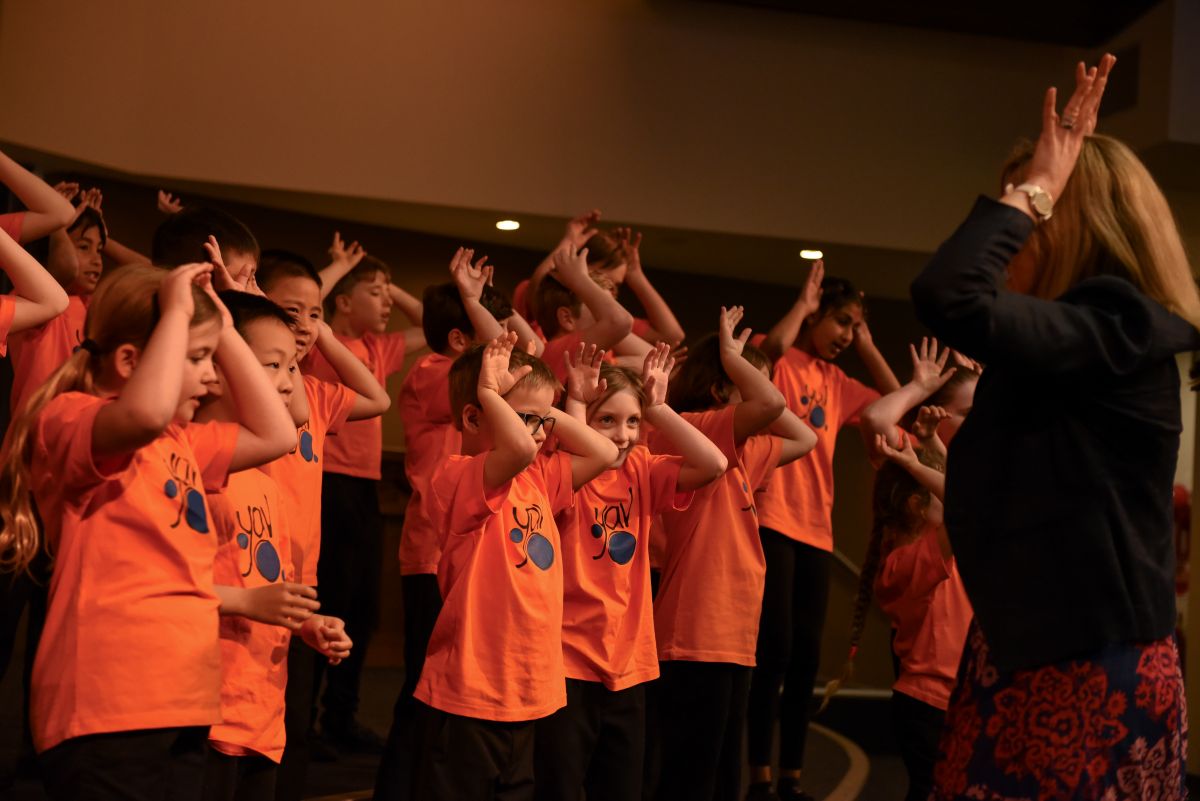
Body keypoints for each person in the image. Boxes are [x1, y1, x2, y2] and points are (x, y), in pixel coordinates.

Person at [912, 54, 1196, 799]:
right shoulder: (1069, 346)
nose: (1015, 229)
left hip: (1087, 662)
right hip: (1028, 646)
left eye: (1033, 215)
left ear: (1071, 221)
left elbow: (951, 292)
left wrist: (1038, 183)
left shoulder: (1119, 329)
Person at [0, 262, 296, 800]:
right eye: (196, 358)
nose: (212, 377)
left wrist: (223, 328)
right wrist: (180, 311)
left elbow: (276, 432)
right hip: (107, 705)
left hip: (182, 701)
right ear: (131, 360)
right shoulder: (72, 418)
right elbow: (144, 414)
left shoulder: (182, 442)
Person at [412, 332, 617, 800]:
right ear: (472, 418)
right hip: (470, 694)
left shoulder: (540, 478)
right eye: (524, 419)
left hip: (528, 692)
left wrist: (549, 407)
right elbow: (521, 448)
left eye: (543, 422)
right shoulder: (455, 475)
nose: (540, 433)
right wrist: (487, 392)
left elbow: (603, 454)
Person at [533, 344, 726, 801]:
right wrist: (576, 400)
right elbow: (577, 451)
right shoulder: (561, 472)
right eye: (607, 421)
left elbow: (714, 464)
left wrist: (660, 408)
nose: (622, 435)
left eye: (632, 422)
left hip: (629, 665)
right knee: (558, 788)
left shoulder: (639, 468)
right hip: (566, 662)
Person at [746, 261, 900, 801]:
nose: (844, 335)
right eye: (840, 322)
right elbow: (763, 355)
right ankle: (759, 776)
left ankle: (791, 778)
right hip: (771, 520)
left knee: (805, 658)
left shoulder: (838, 381)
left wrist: (868, 344)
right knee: (774, 650)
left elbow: (897, 399)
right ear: (816, 316)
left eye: (852, 326)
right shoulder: (782, 355)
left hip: (816, 531)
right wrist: (804, 308)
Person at [650, 307, 817, 801]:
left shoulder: (751, 452)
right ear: (723, 391)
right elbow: (768, 405)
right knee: (689, 775)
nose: (766, 390)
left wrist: (744, 371)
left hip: (734, 632)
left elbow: (803, 435)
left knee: (723, 774)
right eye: (746, 378)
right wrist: (732, 359)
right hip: (695, 629)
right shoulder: (692, 428)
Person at [198, 290, 354, 801]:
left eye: (293, 366)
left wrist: (305, 622)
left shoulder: (265, 481)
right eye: (272, 366)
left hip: (260, 713)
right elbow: (162, 585)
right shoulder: (195, 466)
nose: (290, 383)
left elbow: (266, 581)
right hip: (206, 709)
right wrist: (245, 602)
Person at [373, 248, 514, 801]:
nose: (498, 341)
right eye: (482, 327)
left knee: (442, 688)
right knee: (425, 687)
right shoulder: (438, 374)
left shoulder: (452, 364)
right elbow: (509, 353)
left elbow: (515, 349)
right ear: (460, 340)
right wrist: (473, 303)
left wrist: (472, 302)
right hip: (433, 550)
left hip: (459, 549)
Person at [253, 248, 390, 800]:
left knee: (289, 724)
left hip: (301, 579)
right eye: (292, 313)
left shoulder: (315, 392)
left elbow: (378, 397)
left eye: (314, 314)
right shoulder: (254, 392)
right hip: (252, 573)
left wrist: (323, 336)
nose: (305, 327)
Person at [306, 246, 421, 753]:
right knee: (322, 600)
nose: (386, 303)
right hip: (325, 481)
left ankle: (341, 718)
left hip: (365, 488)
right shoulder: (314, 341)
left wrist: (384, 280)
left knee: (360, 606)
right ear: (343, 303)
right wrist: (342, 272)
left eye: (386, 294)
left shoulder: (380, 346)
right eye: (373, 294)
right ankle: (300, 718)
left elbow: (440, 326)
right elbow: (305, 299)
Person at [821, 429, 970, 801]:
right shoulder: (904, 565)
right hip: (927, 705)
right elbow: (966, 502)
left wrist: (932, 444)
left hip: (950, 700)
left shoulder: (937, 554)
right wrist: (915, 465)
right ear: (918, 506)